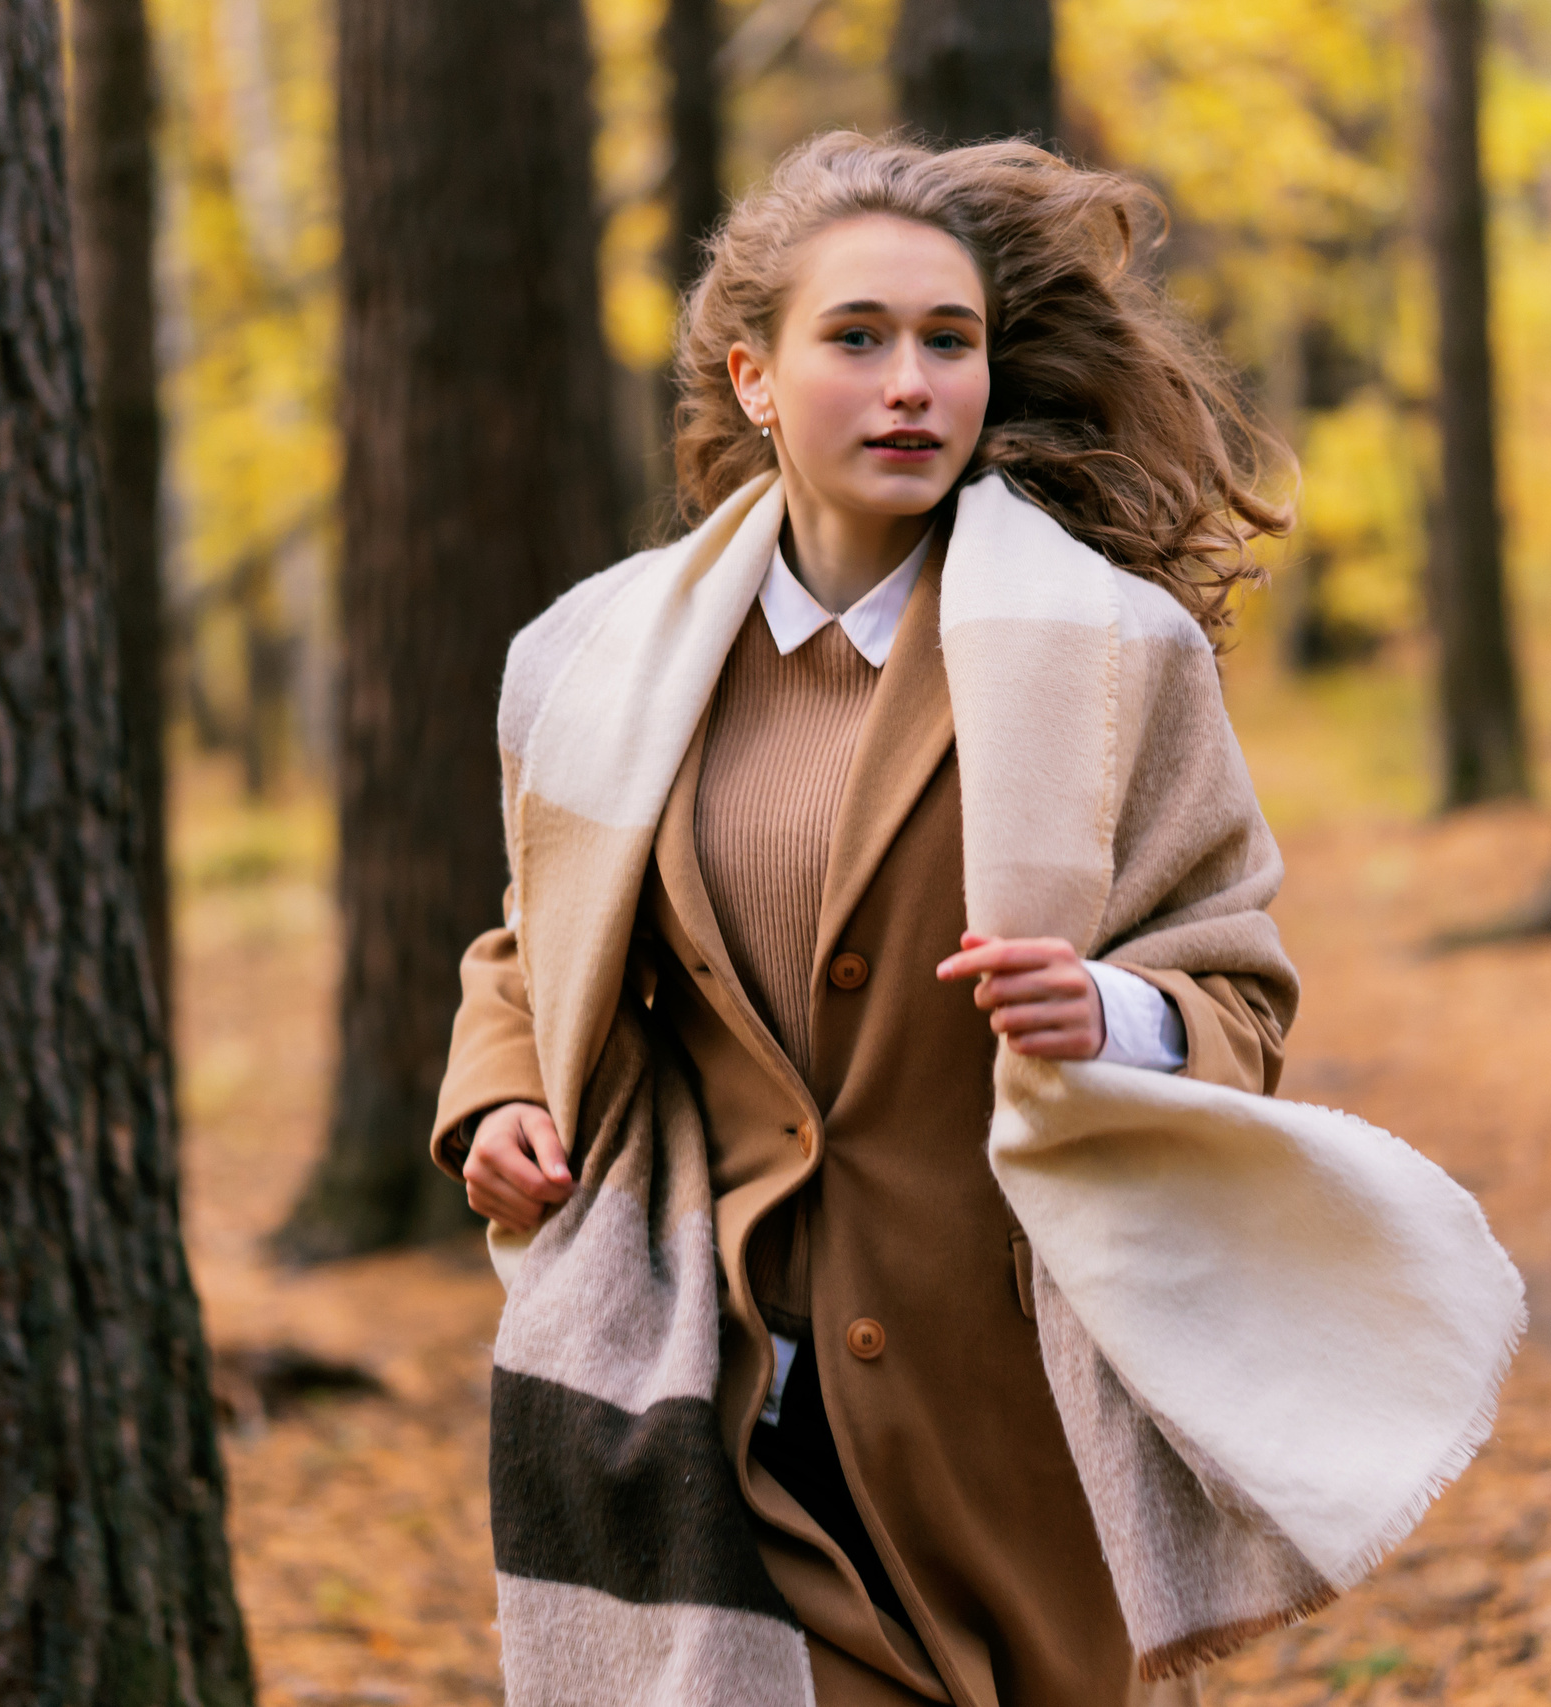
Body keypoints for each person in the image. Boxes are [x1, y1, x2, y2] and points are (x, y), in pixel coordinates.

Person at [434, 133, 1301, 1706]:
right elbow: (531, 942)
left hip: (1012, 1391)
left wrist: (1112, 1013)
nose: (912, 383)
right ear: (755, 379)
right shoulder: (592, 663)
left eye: (948, 343)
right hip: (706, 1377)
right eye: (859, 340)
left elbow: (1235, 977)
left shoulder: (1118, 655)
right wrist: (496, 1095)